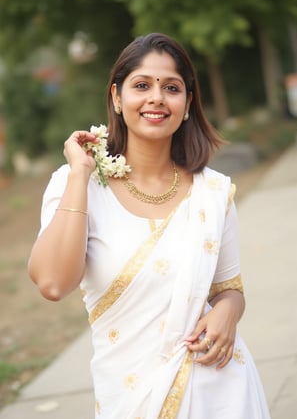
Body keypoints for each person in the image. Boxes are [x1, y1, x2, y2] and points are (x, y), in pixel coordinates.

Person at [28, 32, 271, 418]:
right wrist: (80, 174)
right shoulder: (77, 184)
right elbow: (53, 283)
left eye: (171, 88)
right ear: (116, 97)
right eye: (141, 85)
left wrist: (228, 312)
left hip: (221, 393)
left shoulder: (212, 193)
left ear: (187, 103)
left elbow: (229, 289)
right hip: (129, 398)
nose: (156, 97)